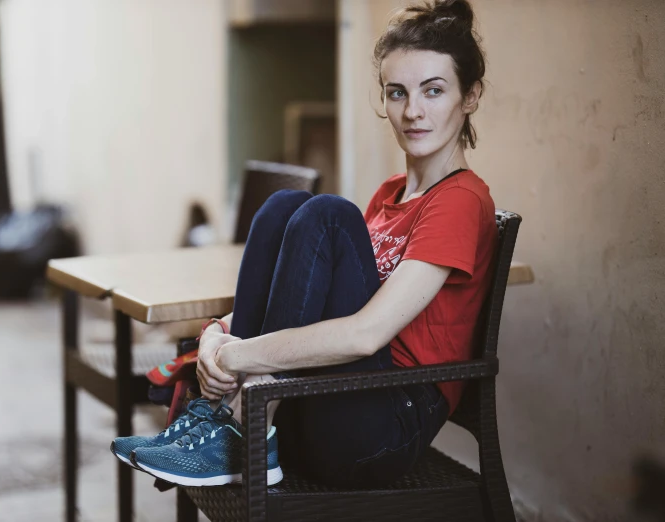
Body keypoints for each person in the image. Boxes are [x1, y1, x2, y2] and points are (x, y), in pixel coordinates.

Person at [111, 0, 498, 488]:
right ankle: (223, 419)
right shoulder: (389, 194)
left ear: (470, 96)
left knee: (329, 214)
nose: (412, 111)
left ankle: (233, 417)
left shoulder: (460, 200)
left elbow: (364, 335)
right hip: (328, 394)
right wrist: (214, 334)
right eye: (397, 92)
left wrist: (237, 358)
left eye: (433, 91)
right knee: (284, 206)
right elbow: (301, 293)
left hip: (384, 422)